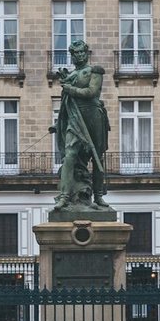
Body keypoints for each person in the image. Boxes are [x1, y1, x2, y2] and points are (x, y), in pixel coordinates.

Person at [53, 39, 110, 211]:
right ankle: (65, 196)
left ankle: (98, 196)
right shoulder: (70, 76)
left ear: (86, 53)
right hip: (75, 119)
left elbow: (91, 92)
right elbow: (66, 103)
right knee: (70, 155)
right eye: (75, 53)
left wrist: (70, 89)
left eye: (81, 52)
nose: (79, 56)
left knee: (97, 156)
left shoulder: (94, 71)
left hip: (93, 116)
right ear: (72, 56)